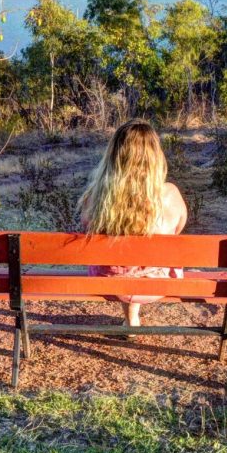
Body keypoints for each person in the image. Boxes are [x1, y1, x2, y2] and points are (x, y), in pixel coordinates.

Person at [78, 119, 187, 327]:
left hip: (109, 282)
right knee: (141, 261)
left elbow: (87, 227)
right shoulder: (170, 194)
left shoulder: (96, 196)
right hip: (158, 284)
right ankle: (132, 319)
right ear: (155, 156)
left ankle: (131, 320)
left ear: (114, 155)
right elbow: (177, 229)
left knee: (123, 261)